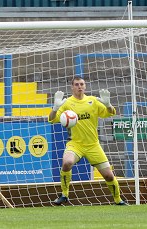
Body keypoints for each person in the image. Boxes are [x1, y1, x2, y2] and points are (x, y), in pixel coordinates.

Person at [48, 77, 127, 206]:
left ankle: (118, 200)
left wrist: (108, 104)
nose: (80, 86)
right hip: (75, 143)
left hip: (93, 145)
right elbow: (51, 119)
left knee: (109, 176)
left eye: (82, 84)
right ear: (72, 87)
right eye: (77, 84)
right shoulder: (67, 103)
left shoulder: (93, 101)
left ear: (85, 87)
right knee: (67, 163)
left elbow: (111, 113)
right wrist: (55, 108)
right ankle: (64, 195)